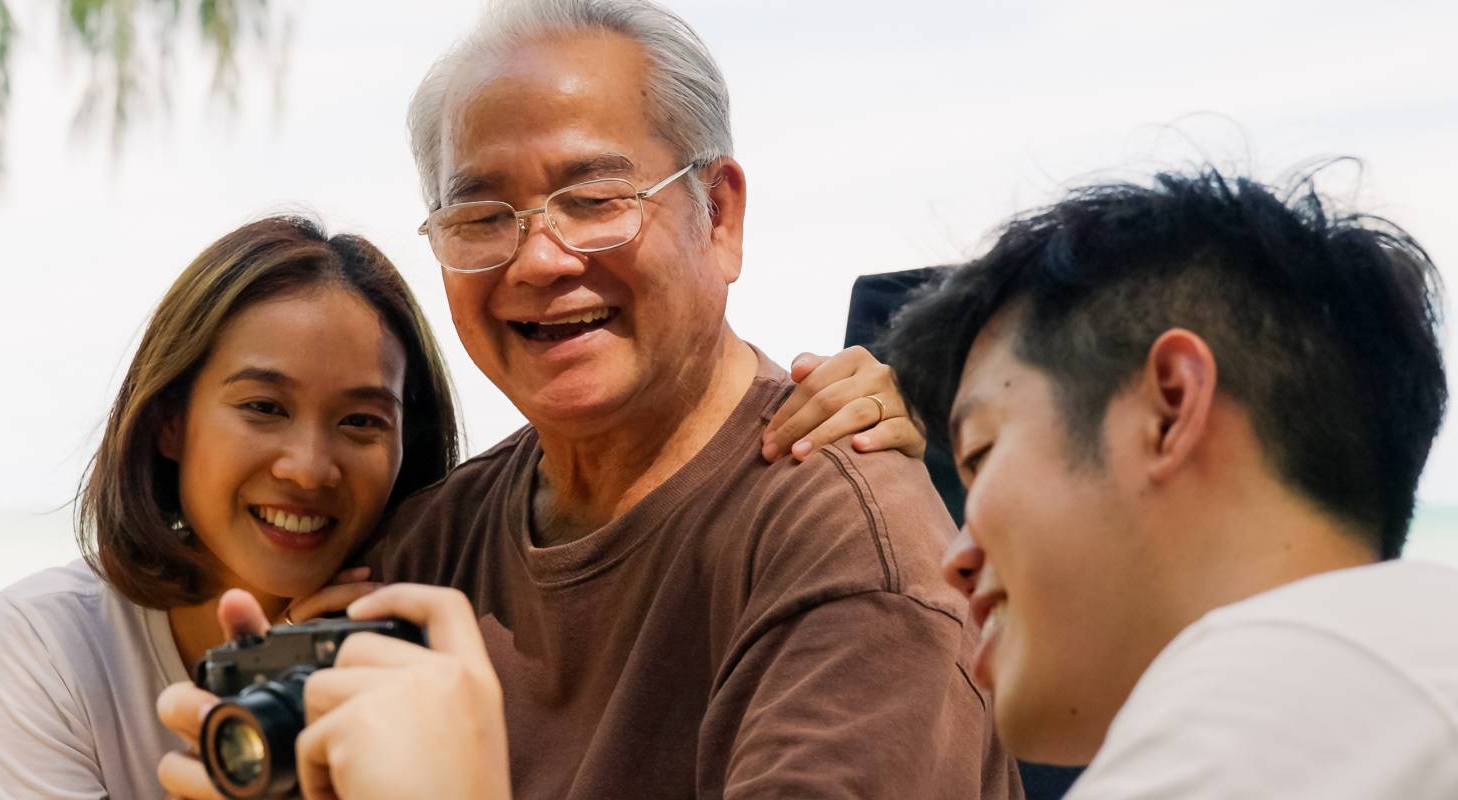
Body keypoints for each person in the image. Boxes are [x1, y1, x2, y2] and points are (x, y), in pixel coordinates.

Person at [158, 1, 1017, 797]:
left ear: (718, 216)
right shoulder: (425, 552)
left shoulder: (845, 551)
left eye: (596, 200)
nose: (539, 260)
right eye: (482, 216)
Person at [0, 211, 903, 795]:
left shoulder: (439, 608)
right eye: (263, 408)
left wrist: (868, 414)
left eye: (361, 422)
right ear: (168, 423)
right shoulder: (58, 641)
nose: (308, 468)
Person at [880, 168, 1455, 796]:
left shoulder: (1283, 693)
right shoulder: (1399, 673)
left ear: (1170, 408)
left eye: (982, 452)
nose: (955, 562)